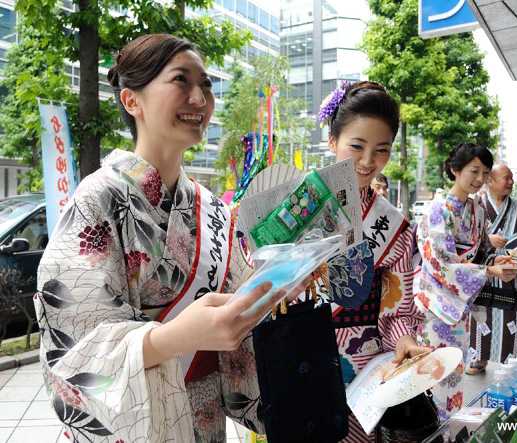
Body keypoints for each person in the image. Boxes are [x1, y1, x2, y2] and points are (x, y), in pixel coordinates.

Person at [34, 34, 296, 442]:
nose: (199, 98)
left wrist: (283, 280)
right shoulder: (97, 199)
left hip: (204, 420)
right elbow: (73, 347)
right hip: (139, 424)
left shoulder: (211, 208)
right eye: (181, 81)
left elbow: (241, 309)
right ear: (132, 101)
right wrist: (177, 336)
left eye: (206, 84)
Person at [319, 81, 428, 442]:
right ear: (332, 140)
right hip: (301, 354)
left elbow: (395, 306)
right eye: (357, 146)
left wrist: (405, 338)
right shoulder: (295, 206)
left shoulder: (393, 226)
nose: (368, 162)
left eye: (381, 150)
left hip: (363, 364)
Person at [415, 143, 517, 418]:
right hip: (436, 304)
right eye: (474, 171)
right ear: (454, 170)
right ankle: (431, 425)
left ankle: (450, 425)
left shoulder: (477, 211)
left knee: (455, 370)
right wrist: (487, 271)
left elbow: (481, 254)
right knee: (433, 371)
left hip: (459, 306)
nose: (479, 179)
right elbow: (440, 262)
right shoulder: (437, 210)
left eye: (485, 173)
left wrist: (495, 262)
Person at [467, 164, 517, 374]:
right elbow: (464, 237)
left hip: (511, 270)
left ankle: (510, 358)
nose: (511, 182)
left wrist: (516, 246)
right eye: (506, 178)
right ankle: (480, 357)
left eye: (512, 178)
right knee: (482, 315)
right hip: (485, 271)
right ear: (490, 180)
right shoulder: (476, 205)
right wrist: (487, 239)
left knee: (509, 316)